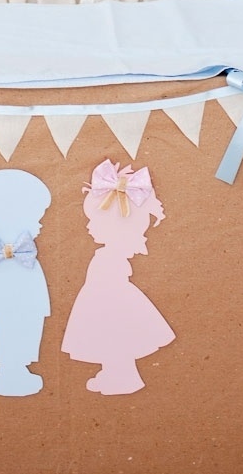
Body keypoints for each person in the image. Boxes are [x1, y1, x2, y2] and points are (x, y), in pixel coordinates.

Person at [61, 160, 174, 394]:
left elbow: (109, 282)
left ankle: (122, 376)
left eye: (93, 221)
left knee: (115, 340)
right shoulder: (108, 254)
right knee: (112, 342)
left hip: (110, 304)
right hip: (105, 302)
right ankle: (113, 372)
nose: (89, 227)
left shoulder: (110, 257)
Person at [0, 168, 52, 396]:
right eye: (37, 217)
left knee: (27, 329)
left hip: (27, 308)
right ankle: (9, 370)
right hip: (9, 308)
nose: (41, 225)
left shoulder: (24, 260)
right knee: (9, 330)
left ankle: (18, 369)